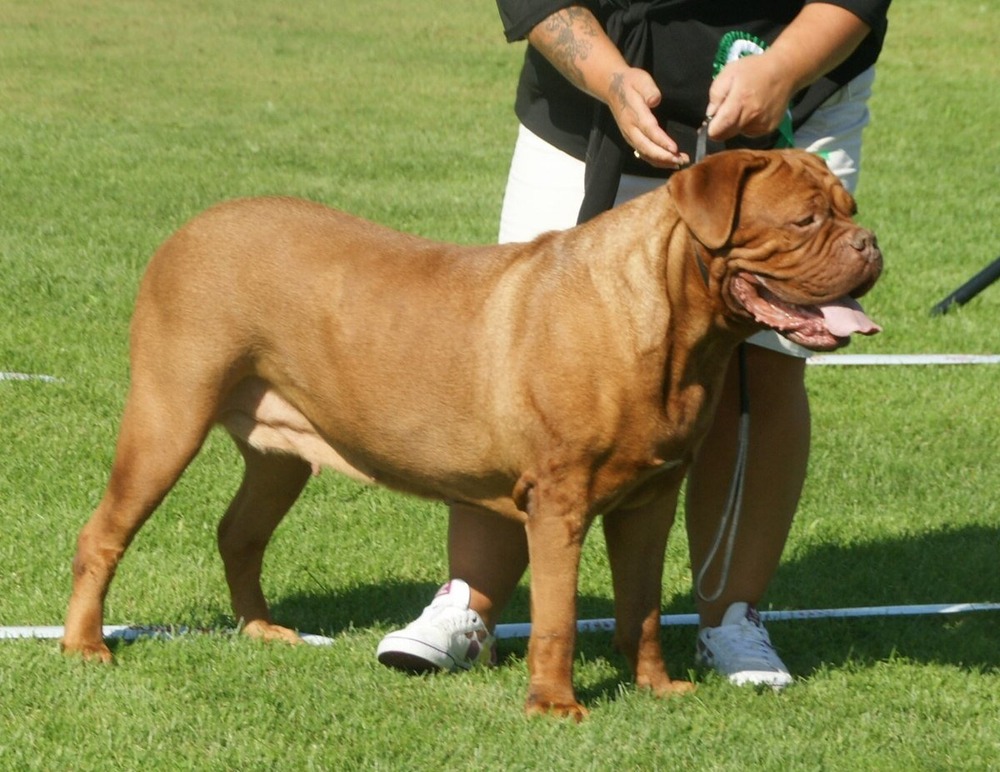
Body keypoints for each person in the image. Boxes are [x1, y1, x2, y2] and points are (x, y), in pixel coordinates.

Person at [376, 0, 891, 688]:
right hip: (590, 85)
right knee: (521, 360)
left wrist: (784, 68)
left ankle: (732, 618)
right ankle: (468, 600)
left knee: (764, 366)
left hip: (798, 77)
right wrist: (610, 78)